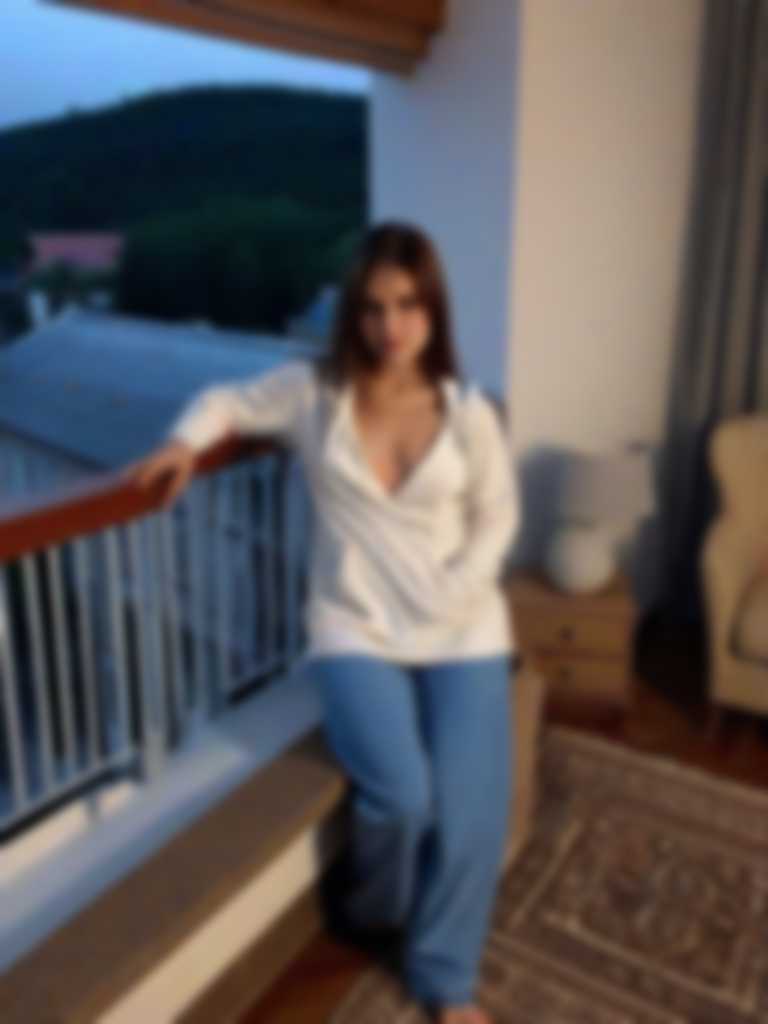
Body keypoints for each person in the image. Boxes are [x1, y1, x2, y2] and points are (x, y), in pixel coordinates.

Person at [123, 221, 522, 1024]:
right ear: (353, 313)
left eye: (408, 305)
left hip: (463, 626)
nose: (390, 325)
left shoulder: (467, 411)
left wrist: (459, 588)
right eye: (373, 307)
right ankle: (374, 912)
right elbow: (227, 401)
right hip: (355, 629)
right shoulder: (314, 394)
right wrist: (182, 444)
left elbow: (498, 515)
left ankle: (446, 978)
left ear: (433, 310)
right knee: (402, 797)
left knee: (473, 812)